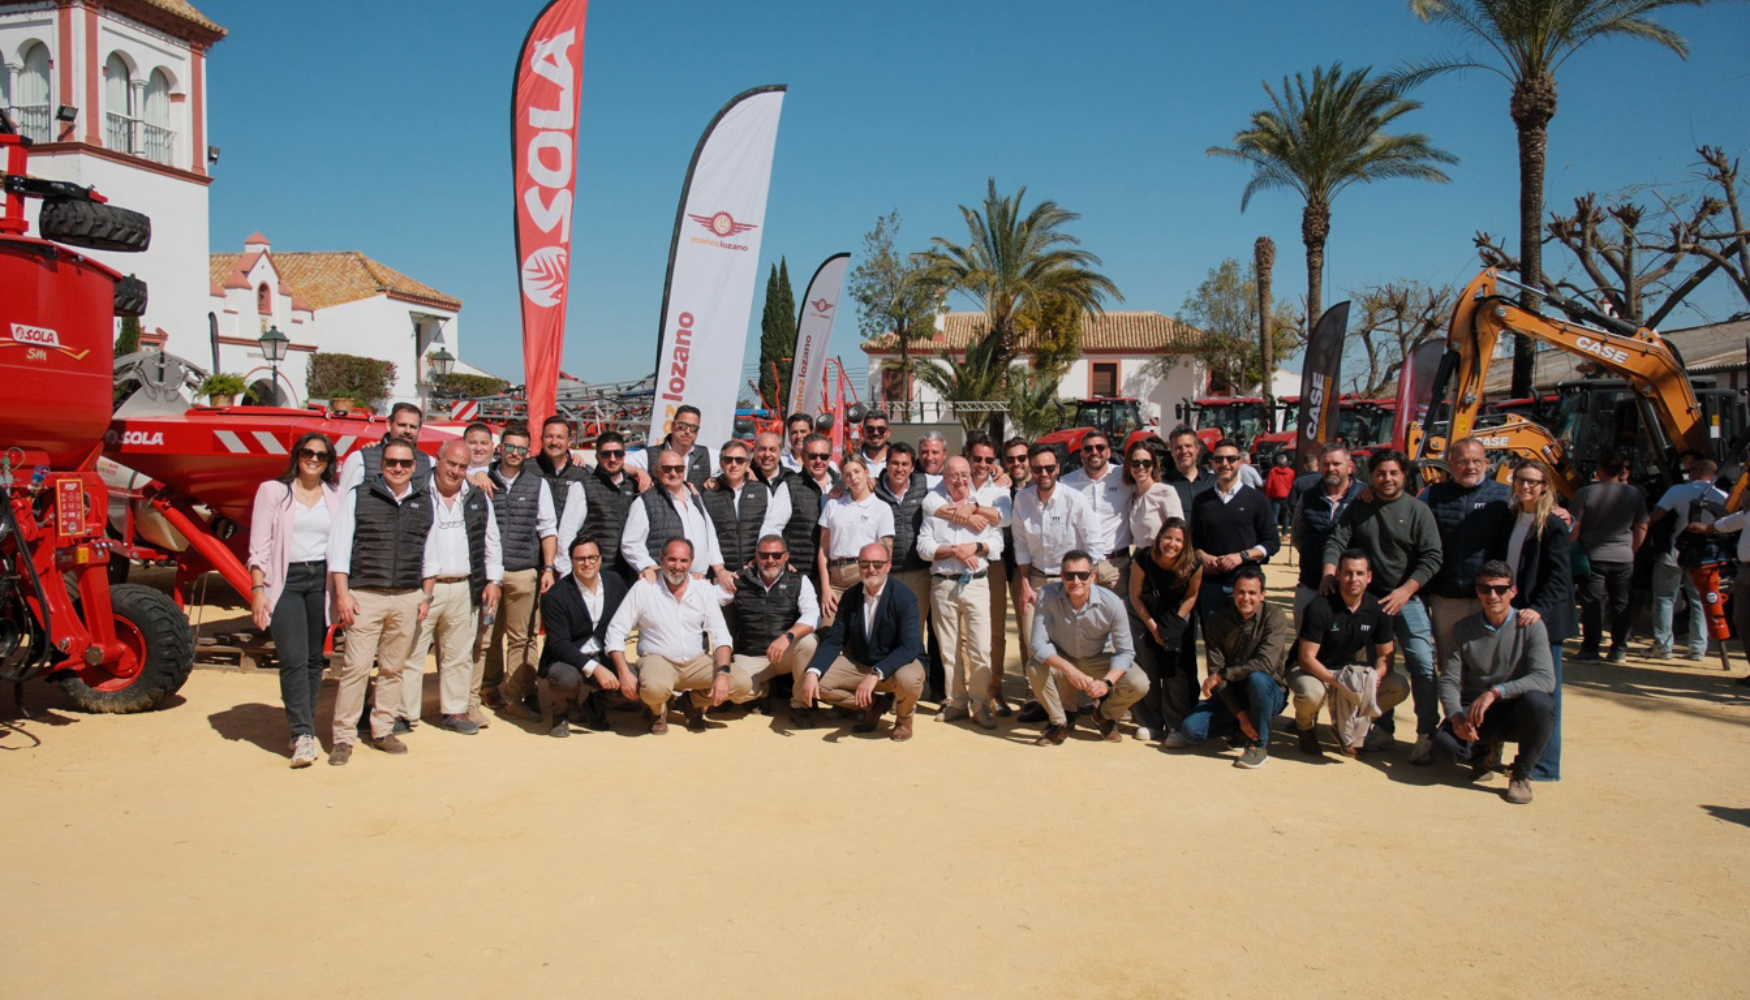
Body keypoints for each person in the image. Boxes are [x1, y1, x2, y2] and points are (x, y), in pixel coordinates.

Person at [1322, 449, 1443, 762]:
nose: (1387, 479)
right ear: (1370, 476)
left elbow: (1432, 557)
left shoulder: (1418, 510)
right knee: (1377, 669)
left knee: (1422, 664)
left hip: (1408, 600)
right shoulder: (1359, 507)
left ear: (1403, 475)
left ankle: (1426, 733)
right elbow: (1337, 541)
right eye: (1380, 473)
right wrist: (1329, 573)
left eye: (1393, 473)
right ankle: (1383, 729)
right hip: (1372, 604)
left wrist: (1406, 590)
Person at [326, 438, 433, 765]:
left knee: (392, 669)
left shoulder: (425, 501)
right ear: (381, 463)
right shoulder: (359, 496)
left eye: (404, 463)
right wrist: (343, 594)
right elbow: (339, 549)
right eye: (391, 462)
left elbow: (431, 553)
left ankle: (382, 728)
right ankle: (343, 736)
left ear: (413, 467)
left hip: (406, 597)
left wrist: (425, 596)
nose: (397, 468)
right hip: (366, 597)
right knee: (356, 669)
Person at [247, 431, 342, 768]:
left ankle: (304, 725)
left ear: (329, 462)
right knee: (293, 657)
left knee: (315, 658)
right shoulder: (274, 492)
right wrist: (258, 590)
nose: (314, 459)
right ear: (297, 455)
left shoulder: (335, 495)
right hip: (286, 580)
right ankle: (302, 733)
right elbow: (259, 547)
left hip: (321, 580)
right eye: (308, 452)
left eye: (321, 455)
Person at [1431, 560, 1557, 806]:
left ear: (1513, 591)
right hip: (1477, 712)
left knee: (1540, 703)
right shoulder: (1462, 629)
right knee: (1444, 746)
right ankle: (1483, 752)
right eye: (1485, 588)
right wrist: (1455, 715)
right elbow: (1449, 679)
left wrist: (1497, 692)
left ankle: (1521, 774)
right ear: (1477, 591)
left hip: (1515, 708)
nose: (1493, 595)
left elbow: (1545, 678)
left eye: (1500, 589)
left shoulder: (1530, 626)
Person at [406, 441, 501, 736]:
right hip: (422, 588)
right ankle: (402, 713)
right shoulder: (416, 492)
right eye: (451, 464)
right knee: (411, 652)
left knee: (458, 654)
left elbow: (490, 539)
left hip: (463, 586)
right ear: (438, 460)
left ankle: (455, 711)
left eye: (462, 466)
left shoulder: (475, 497)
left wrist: (493, 581)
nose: (456, 471)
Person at [604, 538, 744, 734]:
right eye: (672, 559)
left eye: (684, 561)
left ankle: (690, 702)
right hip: (658, 660)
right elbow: (615, 631)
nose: (677, 566)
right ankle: (657, 710)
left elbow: (721, 635)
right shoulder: (644, 588)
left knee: (741, 682)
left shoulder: (702, 589)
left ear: (691, 562)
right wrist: (624, 672)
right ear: (661, 559)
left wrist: (722, 674)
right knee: (653, 689)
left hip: (696, 661)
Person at [1163, 565, 1290, 768]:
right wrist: (1241, 715)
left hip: (1268, 691)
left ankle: (1258, 746)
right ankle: (1241, 726)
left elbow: (1265, 664)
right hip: (1232, 695)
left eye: (1252, 593)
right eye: (1240, 592)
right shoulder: (1217, 620)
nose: (1245, 598)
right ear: (1233, 593)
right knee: (1190, 730)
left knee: (1257, 678)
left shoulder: (1274, 616)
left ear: (1263, 595)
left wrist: (1224, 674)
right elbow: (1215, 670)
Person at [799, 542, 926, 741]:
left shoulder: (904, 596)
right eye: (865, 564)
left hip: (899, 664)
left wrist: (877, 673)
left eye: (877, 564)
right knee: (815, 682)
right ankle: (874, 705)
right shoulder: (850, 597)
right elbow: (834, 641)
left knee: (909, 680)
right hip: (862, 664)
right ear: (858, 566)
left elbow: (910, 647)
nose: (871, 569)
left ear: (888, 566)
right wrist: (813, 671)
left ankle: (903, 719)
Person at [476, 422, 560, 720]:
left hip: (525, 571)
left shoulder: (538, 484)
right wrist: (476, 476)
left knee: (522, 638)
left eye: (521, 448)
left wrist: (548, 567)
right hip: (488, 574)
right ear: (500, 448)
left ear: (528, 451)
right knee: (487, 634)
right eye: (509, 446)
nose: (514, 452)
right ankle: (488, 687)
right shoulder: (481, 479)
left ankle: (518, 695)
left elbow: (547, 528)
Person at [926, 434, 1015, 710]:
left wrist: (975, 519)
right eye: (977, 459)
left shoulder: (997, 488)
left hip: (984, 569)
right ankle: (956, 700)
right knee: (951, 646)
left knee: (987, 639)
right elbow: (928, 509)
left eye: (989, 460)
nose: (982, 465)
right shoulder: (938, 491)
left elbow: (1004, 521)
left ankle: (987, 696)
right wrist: (963, 520)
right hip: (947, 574)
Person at [1289, 549, 1407, 757]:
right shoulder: (1320, 606)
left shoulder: (1376, 609)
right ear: (1338, 575)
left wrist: (1375, 677)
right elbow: (1306, 658)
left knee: (1398, 686)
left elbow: (1386, 654)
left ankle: (1347, 727)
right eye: (1348, 573)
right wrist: (1338, 682)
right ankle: (1305, 728)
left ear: (1369, 577)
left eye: (1360, 573)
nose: (1354, 579)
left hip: (1348, 670)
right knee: (1311, 694)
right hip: (1312, 671)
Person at [1013, 442, 1104, 704]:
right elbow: (1020, 544)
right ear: (1031, 470)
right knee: (1034, 643)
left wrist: (1086, 583)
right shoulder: (1022, 500)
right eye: (1038, 468)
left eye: (1049, 468)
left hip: (1072, 582)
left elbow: (1093, 544)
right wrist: (1025, 583)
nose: (1044, 473)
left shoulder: (1075, 499)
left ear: (1058, 469)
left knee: (1076, 645)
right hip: (1038, 582)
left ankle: (1082, 700)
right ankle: (1041, 701)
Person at [1419, 437, 1513, 675]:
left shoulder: (1506, 497)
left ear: (1486, 463)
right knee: (1449, 665)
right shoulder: (1431, 496)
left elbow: (1537, 514)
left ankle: (1483, 713)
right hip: (1446, 597)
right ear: (1450, 463)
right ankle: (1453, 713)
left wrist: (1564, 514)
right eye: (1462, 461)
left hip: (1490, 598)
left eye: (1476, 461)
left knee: (1487, 666)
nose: (1470, 467)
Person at [1504, 460, 1573, 782]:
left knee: (1546, 693)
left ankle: (1545, 765)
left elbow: (1560, 578)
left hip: (1543, 619)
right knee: (1519, 690)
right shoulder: (1513, 517)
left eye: (1533, 482)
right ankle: (1522, 757)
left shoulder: (1553, 524)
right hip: (1517, 614)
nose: (1526, 487)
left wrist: (1539, 609)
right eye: (1521, 480)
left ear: (1545, 485)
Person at [537, 537, 628, 737]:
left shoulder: (615, 583)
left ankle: (594, 705)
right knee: (565, 680)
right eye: (580, 559)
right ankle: (561, 714)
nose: (587, 563)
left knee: (634, 682)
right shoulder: (556, 596)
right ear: (571, 561)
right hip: (567, 658)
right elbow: (558, 644)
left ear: (600, 559)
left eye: (592, 558)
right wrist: (596, 669)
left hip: (603, 653)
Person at [726, 534, 821, 725]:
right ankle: (764, 690)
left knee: (809, 641)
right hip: (752, 655)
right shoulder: (739, 580)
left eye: (777, 556)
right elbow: (707, 598)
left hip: (785, 652)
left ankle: (800, 706)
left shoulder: (799, 580)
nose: (771, 561)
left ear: (786, 557)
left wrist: (787, 637)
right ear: (756, 556)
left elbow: (813, 617)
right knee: (732, 692)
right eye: (765, 555)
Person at [1569, 450, 1648, 663]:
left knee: (1593, 603)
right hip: (1623, 556)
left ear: (1599, 469)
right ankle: (1619, 649)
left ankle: (1590, 649)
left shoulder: (1585, 493)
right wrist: (1632, 550)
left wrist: (1571, 546)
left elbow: (1575, 526)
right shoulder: (1635, 494)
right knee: (1621, 604)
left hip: (1593, 556)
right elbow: (1641, 526)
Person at [1189, 438, 1278, 622]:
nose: (1225, 464)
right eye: (1219, 459)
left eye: (1230, 459)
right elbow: (1193, 541)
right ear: (1212, 463)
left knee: (1247, 645)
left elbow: (1272, 542)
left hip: (1246, 586)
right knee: (1213, 645)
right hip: (1210, 586)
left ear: (1240, 462)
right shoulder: (1201, 500)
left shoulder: (1257, 499)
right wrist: (1202, 555)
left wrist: (1242, 556)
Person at [1128, 518, 1201, 739]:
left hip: (1177, 614)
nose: (1172, 543)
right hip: (1145, 613)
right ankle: (1150, 721)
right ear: (1160, 538)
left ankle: (1176, 724)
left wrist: (1175, 624)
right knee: (1147, 664)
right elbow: (1134, 595)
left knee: (1176, 669)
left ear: (1185, 543)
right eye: (1168, 537)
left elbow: (1191, 595)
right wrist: (1152, 627)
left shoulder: (1194, 563)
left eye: (1179, 540)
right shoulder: (1144, 557)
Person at [1649, 457, 1725, 660]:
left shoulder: (1677, 491)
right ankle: (1698, 648)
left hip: (1674, 552)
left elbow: (1656, 516)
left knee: (1664, 599)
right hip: (1704, 557)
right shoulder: (1723, 496)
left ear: (1698, 471)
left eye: (1690, 469)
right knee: (1699, 600)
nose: (1687, 473)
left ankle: (1663, 646)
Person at [621, 449, 731, 590]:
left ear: (684, 470)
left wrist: (719, 570)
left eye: (678, 468)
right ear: (657, 471)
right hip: (664, 585)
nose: (673, 473)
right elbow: (630, 542)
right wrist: (649, 566)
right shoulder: (645, 501)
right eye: (667, 469)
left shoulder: (695, 498)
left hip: (698, 583)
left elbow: (710, 537)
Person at [874, 442, 933, 689]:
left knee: (914, 633)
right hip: (886, 574)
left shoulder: (926, 484)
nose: (899, 468)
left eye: (905, 464)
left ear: (912, 466)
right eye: (895, 463)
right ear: (886, 465)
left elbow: (959, 477)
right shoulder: (874, 489)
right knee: (885, 630)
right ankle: (887, 686)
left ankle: (913, 685)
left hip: (919, 572)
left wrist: (999, 473)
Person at [1288, 444, 1363, 626]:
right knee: (1304, 645)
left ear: (1350, 466)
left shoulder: (1365, 497)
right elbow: (1298, 536)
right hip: (1311, 583)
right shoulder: (1307, 497)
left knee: (1350, 649)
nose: (1331, 469)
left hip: (1354, 589)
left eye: (1336, 464)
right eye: (1326, 464)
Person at [816, 457, 895, 618]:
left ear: (866, 473)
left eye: (857, 472)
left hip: (863, 574)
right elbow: (823, 549)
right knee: (830, 631)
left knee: (861, 632)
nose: (854, 478)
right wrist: (825, 587)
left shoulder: (881, 508)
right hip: (835, 578)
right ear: (844, 480)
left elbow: (886, 549)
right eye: (848, 475)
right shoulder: (833, 505)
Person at [701, 438, 789, 577]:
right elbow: (708, 535)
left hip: (756, 570)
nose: (734, 464)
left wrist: (758, 560)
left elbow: (771, 528)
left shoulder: (762, 491)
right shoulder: (708, 494)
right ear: (721, 463)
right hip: (721, 574)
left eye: (739, 460)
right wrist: (720, 570)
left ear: (747, 463)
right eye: (728, 460)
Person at [1061, 430, 1133, 592]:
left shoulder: (1125, 477)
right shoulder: (1067, 483)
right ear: (1081, 454)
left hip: (1117, 566)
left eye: (1100, 447)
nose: (1094, 452)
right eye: (1088, 449)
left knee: (1117, 616)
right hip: (1081, 567)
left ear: (1108, 452)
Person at [578, 430, 642, 581]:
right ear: (597, 457)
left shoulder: (633, 486)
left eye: (618, 453)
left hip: (628, 571)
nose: (612, 459)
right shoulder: (584, 486)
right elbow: (568, 532)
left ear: (624, 456)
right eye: (606, 454)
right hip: (595, 570)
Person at [778, 433, 840, 578]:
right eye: (813, 456)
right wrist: (781, 560)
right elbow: (772, 528)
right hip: (800, 570)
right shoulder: (790, 486)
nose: (819, 461)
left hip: (836, 573)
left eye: (824, 456)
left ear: (830, 457)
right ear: (804, 457)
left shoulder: (841, 485)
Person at [998, 436, 1033, 697]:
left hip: (1049, 570)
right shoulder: (1002, 491)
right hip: (1015, 570)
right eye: (1011, 459)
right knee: (1025, 632)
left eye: (1021, 458)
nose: (1016, 463)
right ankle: (1033, 690)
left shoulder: (1044, 484)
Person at [337, 402, 431, 492]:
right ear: (389, 425)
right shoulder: (360, 459)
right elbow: (345, 500)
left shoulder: (430, 463)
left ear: (420, 431)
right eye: (402, 425)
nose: (407, 431)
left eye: (413, 427)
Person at [626, 404, 717, 486]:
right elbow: (620, 464)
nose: (688, 431)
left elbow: (729, 466)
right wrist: (638, 471)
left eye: (694, 428)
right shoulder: (651, 455)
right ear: (672, 426)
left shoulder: (707, 455)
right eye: (682, 425)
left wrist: (716, 480)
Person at [1122, 440, 1183, 559]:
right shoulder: (1132, 499)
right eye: (1135, 463)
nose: (1141, 467)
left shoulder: (1165, 492)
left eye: (1146, 463)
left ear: (1153, 465)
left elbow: (1179, 531)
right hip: (1140, 561)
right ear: (1128, 466)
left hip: (1162, 560)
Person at [1162, 425, 1213, 514]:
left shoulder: (1213, 482)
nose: (1184, 451)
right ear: (1172, 452)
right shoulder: (1163, 485)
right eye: (1178, 447)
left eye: (1188, 446)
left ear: (1197, 449)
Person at [1266, 451, 1296, 532]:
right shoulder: (1291, 472)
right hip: (1287, 496)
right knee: (1285, 515)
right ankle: (1285, 532)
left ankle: (1274, 531)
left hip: (1275, 496)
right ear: (1286, 462)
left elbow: (1269, 485)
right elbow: (1293, 485)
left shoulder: (1273, 471)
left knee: (1274, 515)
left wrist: (1268, 496)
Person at [857, 410, 892, 477]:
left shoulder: (899, 461)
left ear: (888, 432)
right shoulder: (852, 461)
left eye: (881, 429)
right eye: (870, 429)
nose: (876, 433)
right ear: (862, 432)